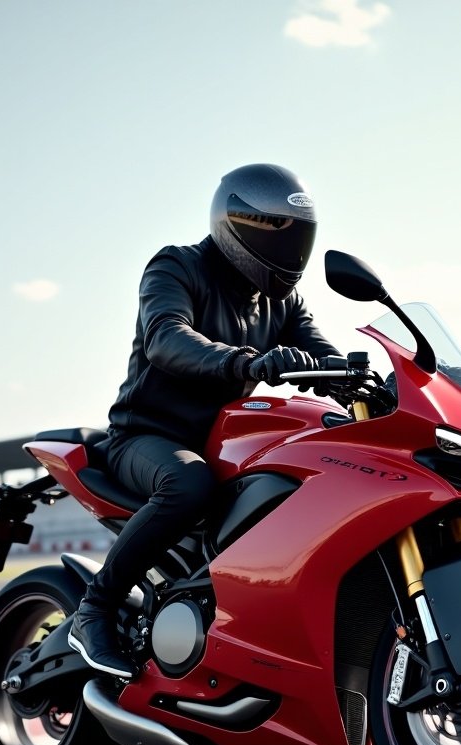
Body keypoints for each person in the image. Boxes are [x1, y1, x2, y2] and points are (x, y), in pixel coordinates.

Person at [67, 163, 342, 678]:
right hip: (146, 437)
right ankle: (95, 608)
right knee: (188, 482)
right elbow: (166, 337)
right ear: (239, 225)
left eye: (299, 236)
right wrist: (244, 362)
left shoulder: (281, 302)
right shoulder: (176, 266)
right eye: (280, 233)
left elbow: (323, 356)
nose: (292, 252)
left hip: (223, 446)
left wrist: (374, 377)